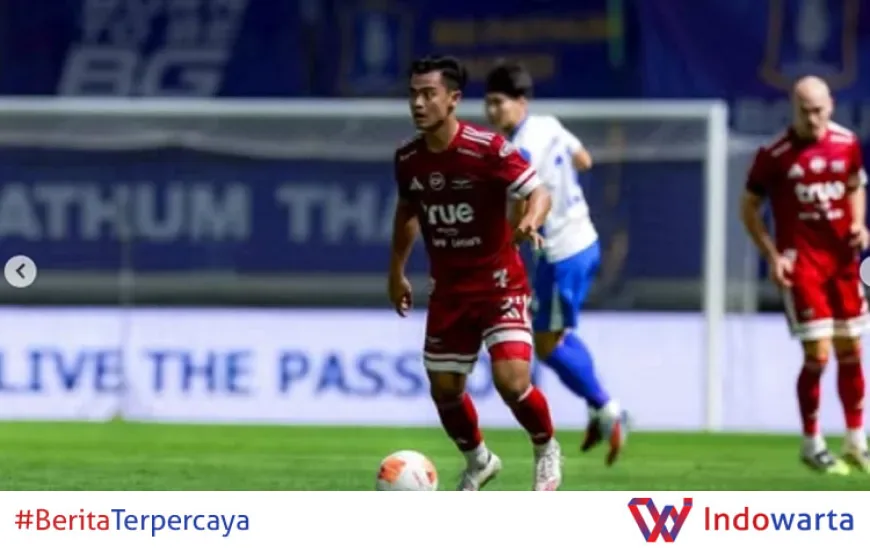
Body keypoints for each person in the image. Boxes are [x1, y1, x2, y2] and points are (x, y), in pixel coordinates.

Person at [388, 55, 562, 491]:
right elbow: (407, 212)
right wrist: (396, 271)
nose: (418, 103)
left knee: (511, 382)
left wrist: (530, 220)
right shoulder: (408, 158)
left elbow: (539, 192)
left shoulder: (487, 149)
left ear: (453, 99)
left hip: (499, 284)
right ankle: (479, 460)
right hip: (450, 291)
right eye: (413, 94)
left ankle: (545, 448)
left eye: (429, 94)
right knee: (445, 389)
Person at [484, 61, 629, 465]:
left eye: (499, 103)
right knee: (556, 336)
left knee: (547, 345)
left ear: (521, 102)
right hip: (585, 240)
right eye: (488, 103)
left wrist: (505, 245)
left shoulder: (519, 148)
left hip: (562, 252)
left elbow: (518, 203)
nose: (492, 112)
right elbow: (584, 161)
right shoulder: (549, 124)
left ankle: (608, 408)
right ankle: (599, 406)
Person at [741, 75, 869, 475]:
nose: (812, 119)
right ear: (792, 109)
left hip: (843, 264)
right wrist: (773, 255)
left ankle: (856, 441)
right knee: (819, 353)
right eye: (804, 111)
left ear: (830, 106)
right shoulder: (774, 154)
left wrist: (860, 224)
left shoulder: (847, 143)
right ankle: (812, 443)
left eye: (818, 110)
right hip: (803, 266)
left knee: (852, 349)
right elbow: (748, 207)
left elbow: (855, 186)